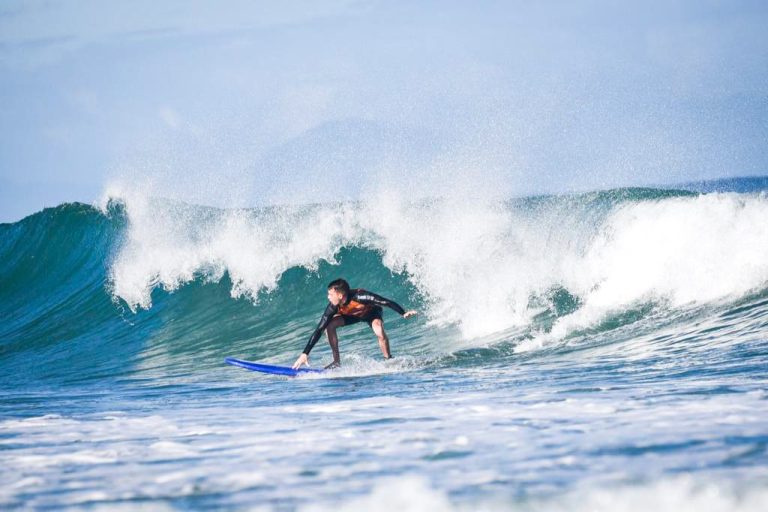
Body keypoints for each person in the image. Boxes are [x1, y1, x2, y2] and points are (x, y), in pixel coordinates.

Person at [292, 278, 417, 370]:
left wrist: (403, 312)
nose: (328, 297)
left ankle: (388, 360)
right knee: (329, 325)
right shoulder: (332, 307)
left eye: (330, 294)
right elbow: (319, 329)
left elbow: (384, 301)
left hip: (371, 314)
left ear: (340, 295)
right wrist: (305, 353)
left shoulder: (360, 296)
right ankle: (336, 361)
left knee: (378, 330)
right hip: (351, 316)